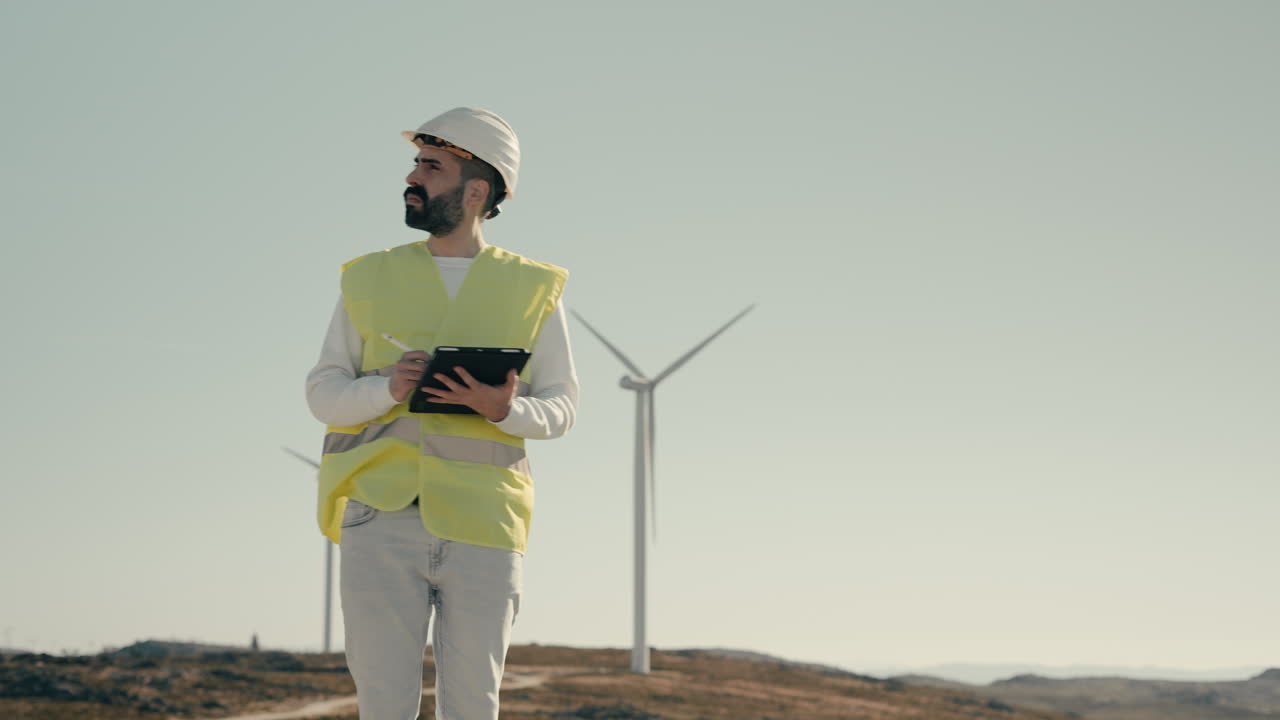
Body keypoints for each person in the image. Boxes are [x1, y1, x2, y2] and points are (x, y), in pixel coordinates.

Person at [304, 106, 578, 720]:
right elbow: (322, 391)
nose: (413, 176)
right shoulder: (368, 277)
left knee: (474, 709)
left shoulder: (535, 289)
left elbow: (562, 407)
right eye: (415, 163)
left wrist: (505, 410)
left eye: (431, 166)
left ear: (475, 190)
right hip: (380, 517)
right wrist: (386, 391)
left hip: (486, 523)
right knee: (383, 708)